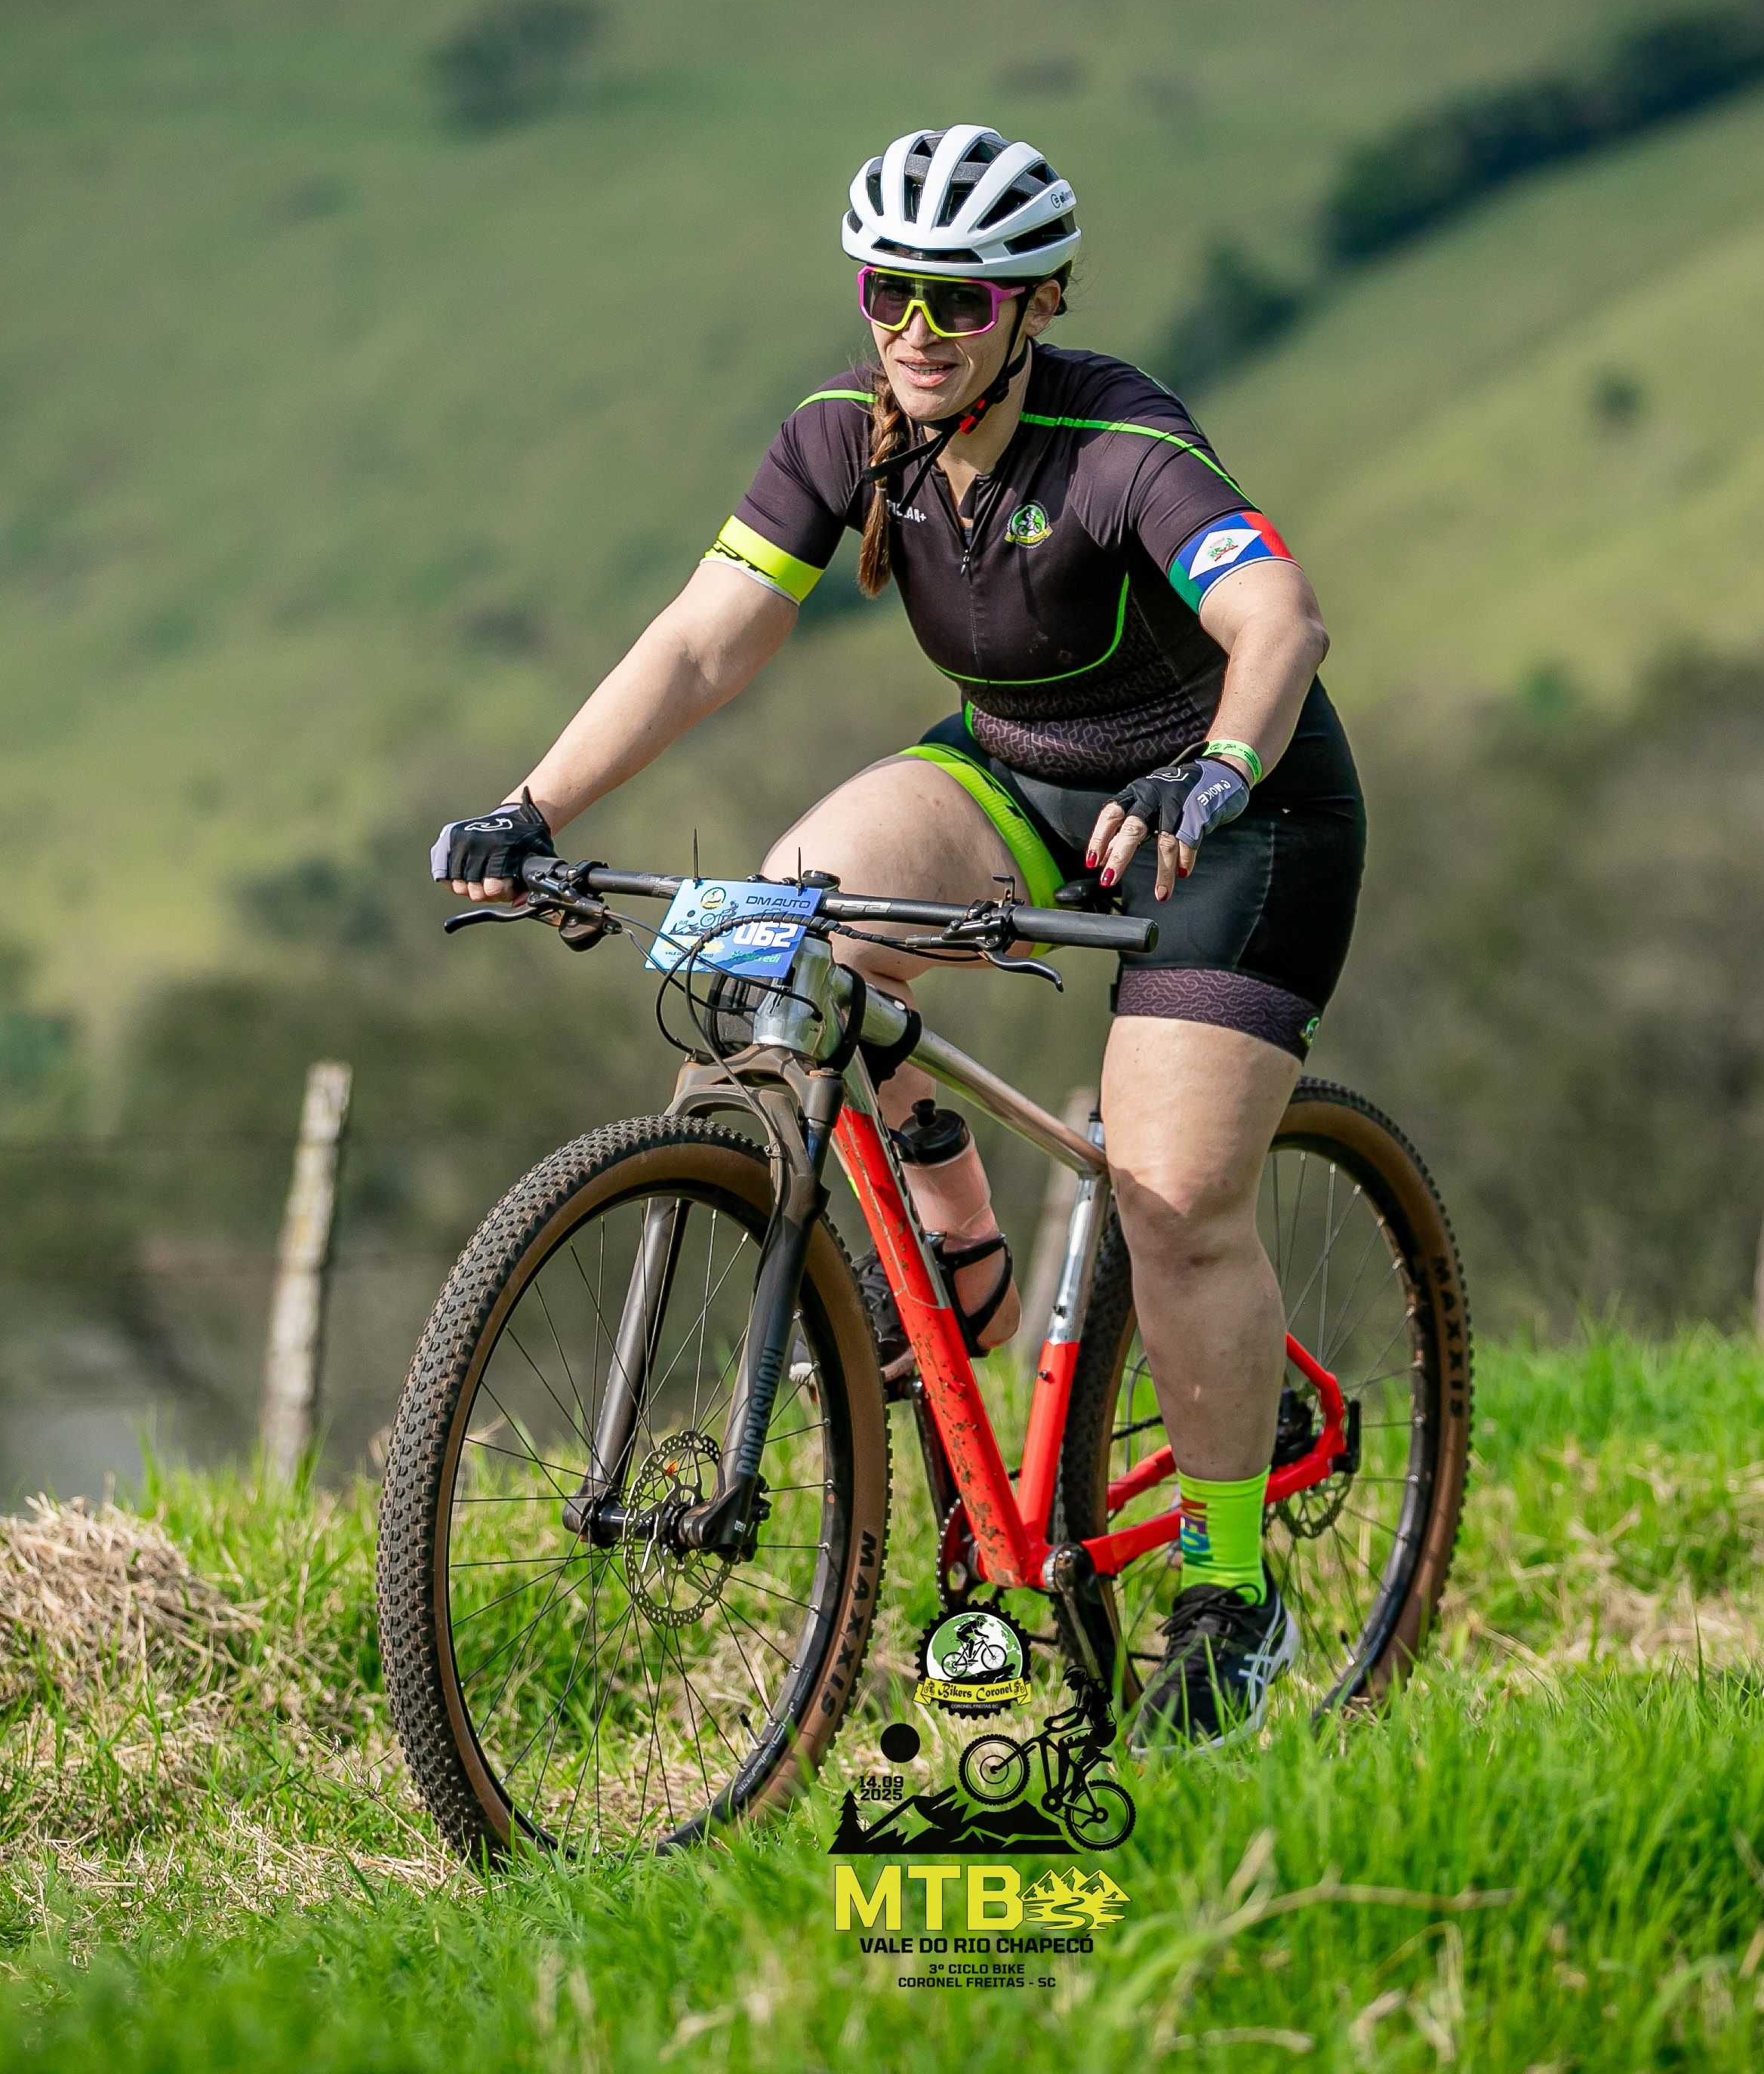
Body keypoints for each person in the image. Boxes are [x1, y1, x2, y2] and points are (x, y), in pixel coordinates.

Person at [433, 125, 1366, 1749]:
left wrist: (1218, 768)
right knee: (778, 925)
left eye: (963, 300)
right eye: (891, 293)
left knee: (1173, 1201)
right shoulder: (841, 439)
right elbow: (705, 642)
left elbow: (1277, 618)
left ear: (1038, 303)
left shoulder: (1118, 445)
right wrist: (532, 806)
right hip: (1022, 772)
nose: (920, 331)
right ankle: (958, 1235)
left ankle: (1231, 1596)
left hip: (1240, 813)